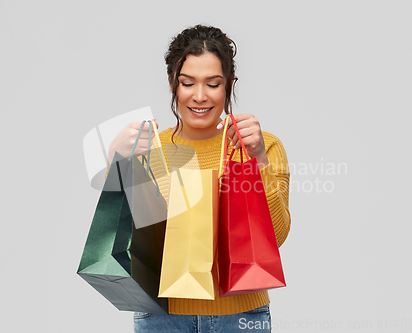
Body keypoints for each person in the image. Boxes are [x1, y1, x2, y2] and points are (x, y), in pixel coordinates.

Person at [107, 24, 291, 333]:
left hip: (242, 316)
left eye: (213, 83)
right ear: (172, 84)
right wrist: (116, 167)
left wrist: (258, 161)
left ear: (229, 85)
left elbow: (277, 237)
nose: (200, 96)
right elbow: (129, 243)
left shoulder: (261, 145)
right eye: (188, 83)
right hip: (161, 317)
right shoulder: (150, 148)